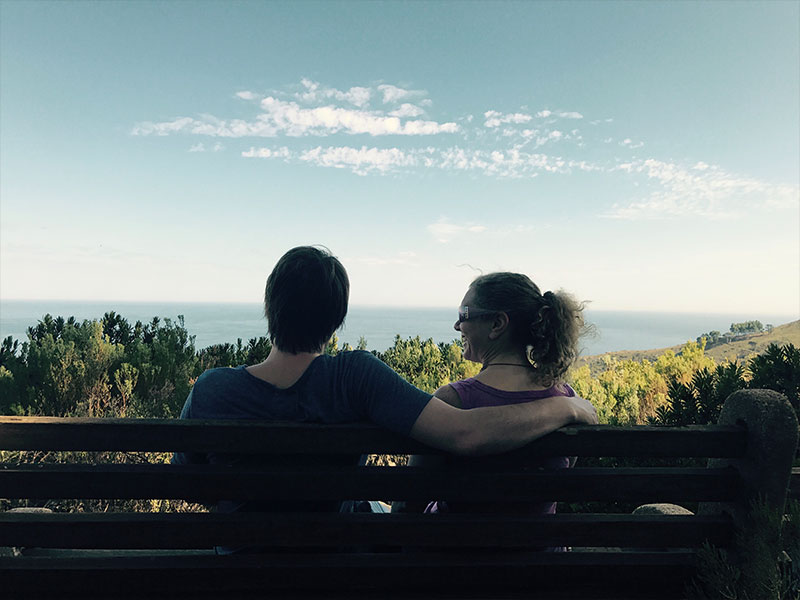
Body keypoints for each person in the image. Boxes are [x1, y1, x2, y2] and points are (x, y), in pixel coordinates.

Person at [173, 247, 596, 545]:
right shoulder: (355, 376)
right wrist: (566, 405)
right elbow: (465, 433)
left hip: (237, 573)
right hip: (333, 568)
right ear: (337, 318)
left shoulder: (211, 388)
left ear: (270, 307)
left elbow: (190, 485)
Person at [400, 272, 587, 521]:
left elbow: (409, 501)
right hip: (539, 555)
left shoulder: (452, 402)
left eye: (464, 314)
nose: (457, 325)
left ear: (497, 324)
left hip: (452, 555)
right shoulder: (568, 399)